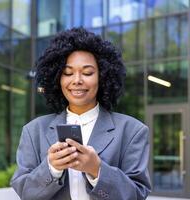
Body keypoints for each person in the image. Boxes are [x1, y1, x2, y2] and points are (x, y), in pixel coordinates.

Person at [11, 27, 151, 200]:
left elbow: (137, 195)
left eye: (87, 72)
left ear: (103, 77)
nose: (77, 80)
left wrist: (97, 169)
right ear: (57, 78)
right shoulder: (33, 131)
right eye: (67, 73)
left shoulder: (133, 131)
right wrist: (51, 168)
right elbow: (25, 193)